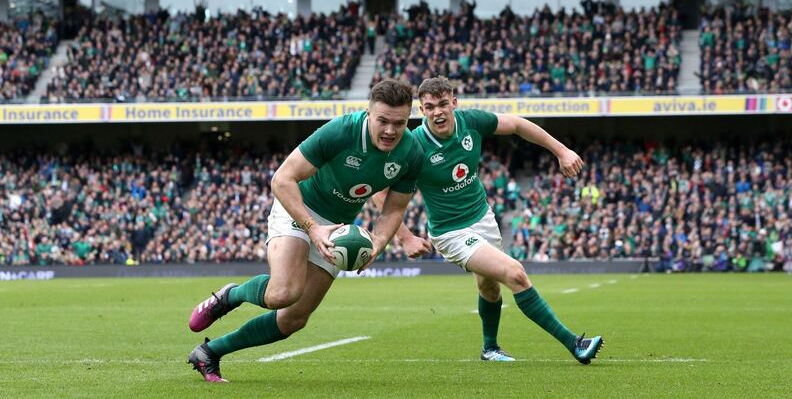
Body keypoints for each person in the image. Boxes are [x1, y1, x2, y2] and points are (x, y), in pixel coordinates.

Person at [186, 79, 423, 382]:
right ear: (368, 114)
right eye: (383, 121)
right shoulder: (340, 132)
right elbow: (282, 179)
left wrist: (377, 242)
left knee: (294, 319)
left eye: (399, 123)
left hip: (337, 227)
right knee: (284, 293)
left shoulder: (411, 153)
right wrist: (312, 228)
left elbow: (394, 208)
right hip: (299, 208)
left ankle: (209, 353)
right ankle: (231, 295)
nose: (390, 131)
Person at [373, 76, 603, 364]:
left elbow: (517, 124)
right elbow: (379, 190)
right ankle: (575, 343)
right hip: (450, 232)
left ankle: (490, 349)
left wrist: (562, 151)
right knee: (515, 273)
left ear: (454, 103)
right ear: (421, 110)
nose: (437, 112)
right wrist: (405, 237)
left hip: (483, 218)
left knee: (489, 288)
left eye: (443, 104)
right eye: (429, 107)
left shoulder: (472, 122)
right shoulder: (412, 145)